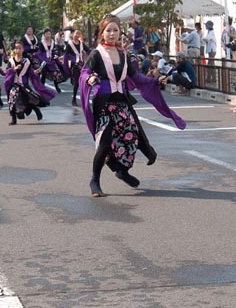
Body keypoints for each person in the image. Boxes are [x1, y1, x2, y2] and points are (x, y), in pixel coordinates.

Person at [79, 14, 187, 197]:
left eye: (115, 30)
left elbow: (135, 77)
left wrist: (155, 79)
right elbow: (85, 72)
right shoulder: (96, 54)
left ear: (120, 32)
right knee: (105, 142)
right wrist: (89, 79)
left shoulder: (123, 54)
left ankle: (122, 171)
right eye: (108, 30)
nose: (112, 34)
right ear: (102, 33)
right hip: (104, 103)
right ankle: (94, 180)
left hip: (122, 102)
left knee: (130, 137)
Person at [4, 41, 54, 125]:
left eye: (20, 48)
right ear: (14, 50)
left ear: (23, 50)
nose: (18, 50)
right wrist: (14, 69)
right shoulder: (11, 61)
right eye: (16, 48)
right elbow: (7, 72)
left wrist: (35, 72)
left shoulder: (26, 62)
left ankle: (36, 109)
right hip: (14, 85)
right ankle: (14, 119)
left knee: (28, 100)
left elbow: (30, 73)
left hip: (24, 84)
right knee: (12, 101)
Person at [62, 29, 88, 106]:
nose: (77, 35)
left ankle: (84, 99)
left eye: (79, 34)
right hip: (75, 66)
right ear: (73, 34)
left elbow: (88, 50)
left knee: (85, 82)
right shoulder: (69, 44)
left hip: (82, 65)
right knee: (76, 83)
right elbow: (66, 56)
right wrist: (66, 67)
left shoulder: (81, 43)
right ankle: (74, 99)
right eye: (76, 33)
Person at [36, 28, 66, 92]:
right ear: (44, 34)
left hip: (51, 60)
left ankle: (57, 87)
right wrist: (43, 60)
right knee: (43, 75)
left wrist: (55, 56)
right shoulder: (41, 42)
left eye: (49, 34)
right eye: (47, 34)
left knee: (55, 74)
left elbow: (53, 51)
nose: (48, 35)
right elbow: (39, 53)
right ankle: (41, 88)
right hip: (44, 61)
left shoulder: (52, 41)